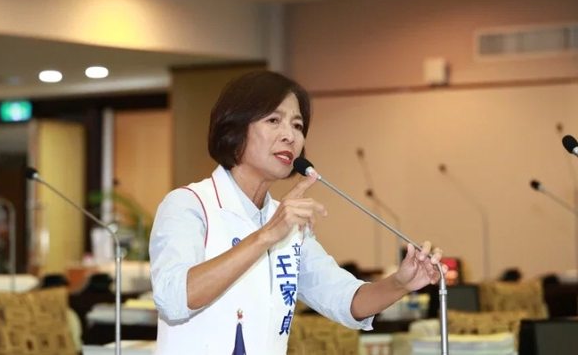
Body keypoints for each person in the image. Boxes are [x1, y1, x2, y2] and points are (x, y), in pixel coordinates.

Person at [149, 71, 444, 354]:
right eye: (274, 120)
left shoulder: (286, 223)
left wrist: (400, 283)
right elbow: (173, 299)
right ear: (235, 129)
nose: (290, 136)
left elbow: (343, 299)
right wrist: (266, 235)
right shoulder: (188, 205)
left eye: (298, 125)